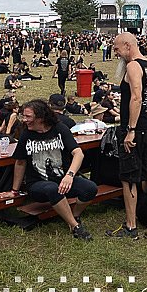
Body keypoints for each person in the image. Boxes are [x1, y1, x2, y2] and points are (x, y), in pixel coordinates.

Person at [107, 32, 147, 240]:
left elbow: (136, 97)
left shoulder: (133, 66)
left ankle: (131, 226)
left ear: (127, 45)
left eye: (117, 49)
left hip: (135, 131)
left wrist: (131, 129)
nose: (116, 53)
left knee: (129, 178)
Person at [10, 99, 97, 240]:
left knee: (90, 188)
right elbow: (20, 162)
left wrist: (69, 175)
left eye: (28, 116)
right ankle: (75, 226)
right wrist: (14, 190)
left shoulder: (59, 129)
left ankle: (74, 216)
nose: (24, 120)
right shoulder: (26, 134)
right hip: (38, 185)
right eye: (23, 116)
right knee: (53, 188)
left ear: (40, 117)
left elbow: (78, 153)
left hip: (62, 180)